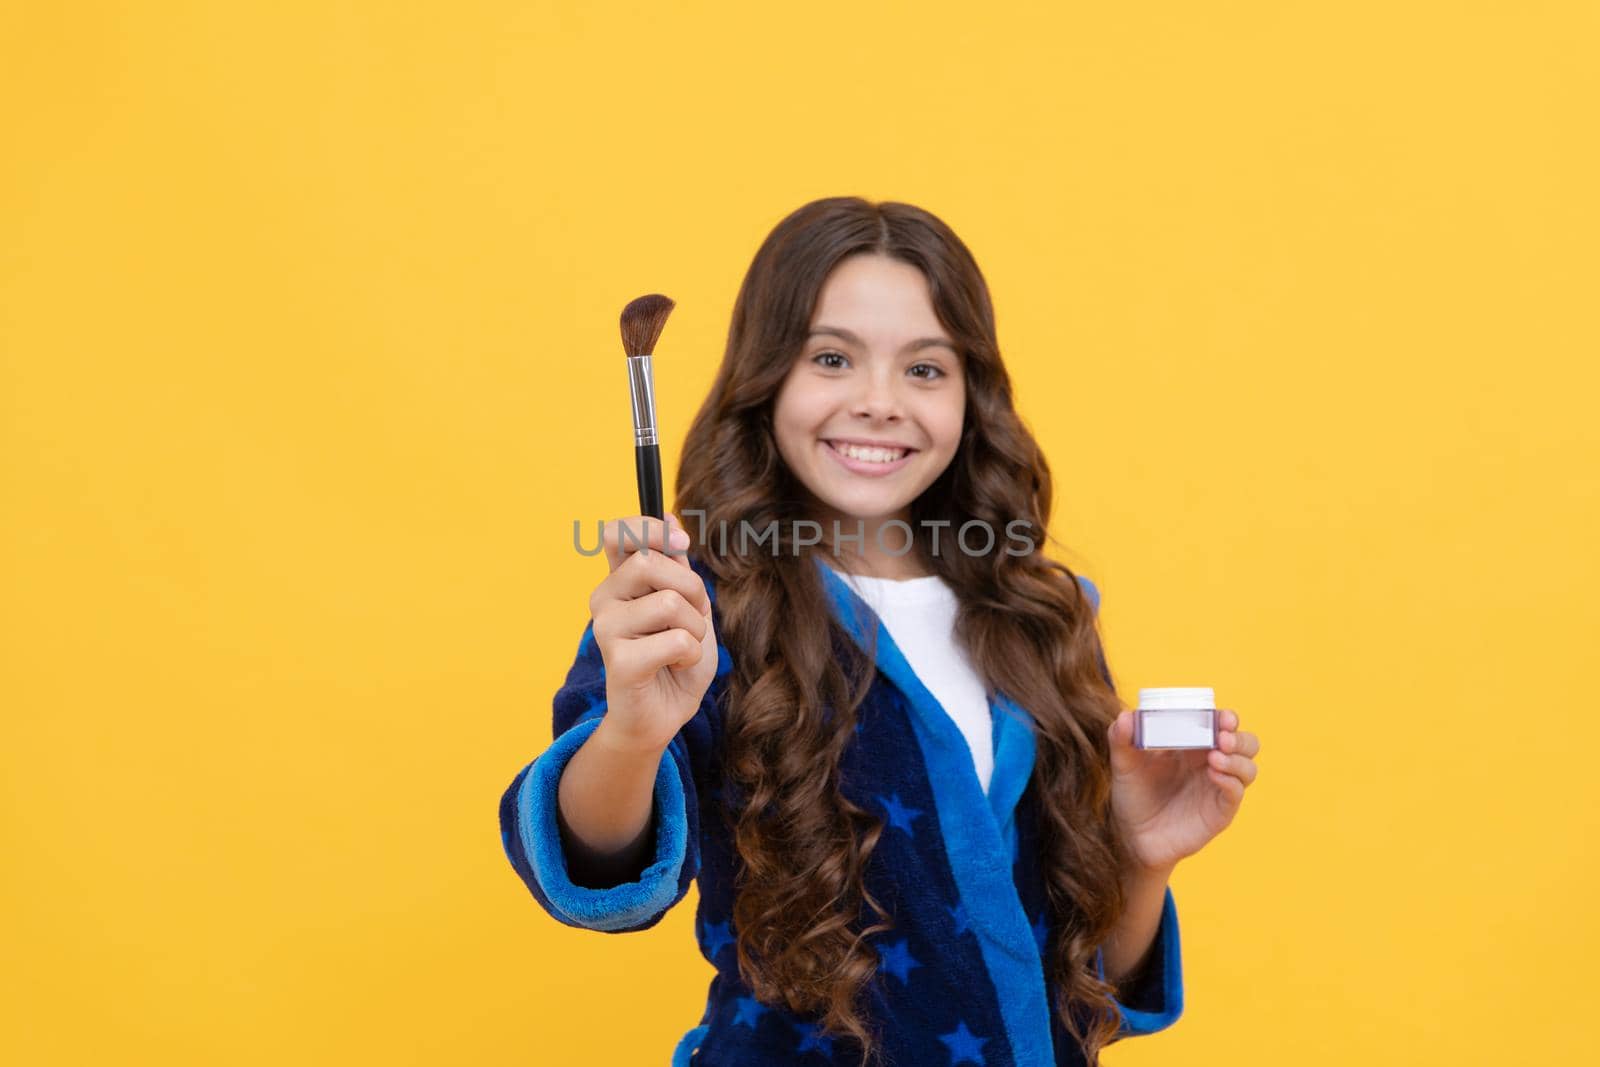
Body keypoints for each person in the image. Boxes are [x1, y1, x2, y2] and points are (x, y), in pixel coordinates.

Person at [498, 197, 1263, 1066]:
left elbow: (1076, 993)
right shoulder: (690, 605)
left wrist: (1139, 856)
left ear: (973, 397)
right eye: (832, 358)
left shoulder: (1041, 616)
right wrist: (633, 732)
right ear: (766, 380)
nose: (879, 402)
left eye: (926, 370)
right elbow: (597, 879)